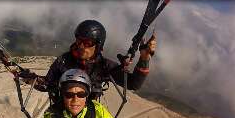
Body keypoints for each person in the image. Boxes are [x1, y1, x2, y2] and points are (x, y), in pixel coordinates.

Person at [19, 19, 156, 103]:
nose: (81, 46)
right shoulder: (63, 61)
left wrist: (144, 59)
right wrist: (28, 78)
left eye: (88, 42)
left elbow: (133, 84)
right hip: (63, 110)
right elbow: (47, 84)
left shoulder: (104, 66)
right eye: (79, 40)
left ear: (98, 45)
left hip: (90, 115)